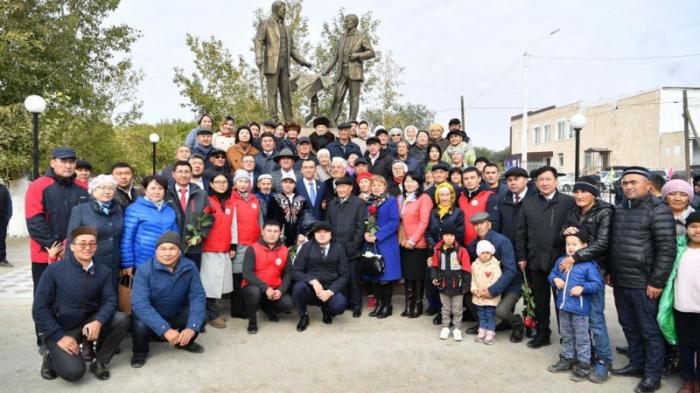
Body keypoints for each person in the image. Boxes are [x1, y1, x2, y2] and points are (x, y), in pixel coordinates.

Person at [609, 167, 676, 393]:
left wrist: (656, 281)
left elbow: (667, 249)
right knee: (629, 325)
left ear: (649, 185)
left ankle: (653, 374)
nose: (628, 186)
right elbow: (613, 244)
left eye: (634, 182)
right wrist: (610, 271)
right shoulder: (619, 210)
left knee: (649, 330)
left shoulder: (659, 210)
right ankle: (636, 364)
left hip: (644, 283)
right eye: (625, 182)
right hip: (621, 280)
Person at [32, 226, 129, 382]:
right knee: (74, 372)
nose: (87, 248)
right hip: (61, 327)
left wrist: (98, 321)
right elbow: (39, 309)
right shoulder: (54, 271)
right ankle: (49, 359)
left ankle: (100, 361)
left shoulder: (103, 271)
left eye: (91, 243)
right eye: (82, 244)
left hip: (88, 322)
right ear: (72, 247)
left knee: (122, 319)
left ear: (96, 247)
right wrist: (60, 337)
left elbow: (111, 300)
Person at [559, 175, 615, 382]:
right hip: (572, 272)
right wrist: (566, 232)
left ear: (594, 193)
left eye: (584, 191)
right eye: (576, 191)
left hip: (593, 270)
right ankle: (581, 357)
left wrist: (574, 256)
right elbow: (562, 235)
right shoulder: (573, 211)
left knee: (595, 319)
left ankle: (604, 361)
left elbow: (602, 243)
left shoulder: (605, 211)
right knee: (573, 318)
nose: (579, 195)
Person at [515, 166, 576, 349]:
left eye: (548, 179)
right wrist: (522, 256)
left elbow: (575, 229)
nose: (544, 183)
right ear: (536, 183)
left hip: (561, 261)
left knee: (563, 301)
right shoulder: (529, 203)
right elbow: (520, 233)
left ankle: (567, 337)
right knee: (540, 300)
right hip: (535, 260)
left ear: (556, 181)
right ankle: (543, 334)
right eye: (541, 180)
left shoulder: (568, 202)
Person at [130, 232, 206, 368]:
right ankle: (140, 352)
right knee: (139, 323)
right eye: (163, 249)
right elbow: (140, 304)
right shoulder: (144, 270)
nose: (167, 253)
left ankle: (185, 342)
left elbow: (198, 296)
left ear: (179, 251)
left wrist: (191, 327)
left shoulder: (189, 266)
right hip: (153, 317)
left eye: (172, 248)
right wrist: (165, 330)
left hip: (175, 312)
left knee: (201, 315)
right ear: (156, 251)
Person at [26, 147, 89, 293]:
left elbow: (87, 219)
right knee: (45, 295)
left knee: (74, 295)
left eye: (72, 162)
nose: (68, 166)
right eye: (63, 161)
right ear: (53, 163)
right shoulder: (38, 185)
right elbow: (34, 221)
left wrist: (73, 247)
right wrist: (58, 248)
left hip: (77, 252)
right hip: (46, 253)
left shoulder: (83, 187)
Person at [547, 229, 604, 381]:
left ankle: (584, 364)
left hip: (579, 310)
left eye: (574, 244)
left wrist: (583, 288)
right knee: (566, 334)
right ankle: (567, 358)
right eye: (568, 244)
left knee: (582, 337)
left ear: (584, 246)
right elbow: (551, 275)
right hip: (563, 307)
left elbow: (597, 284)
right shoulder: (561, 261)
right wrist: (555, 280)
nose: (570, 247)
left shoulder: (588, 265)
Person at [658, 211, 700, 393]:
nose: (697, 230)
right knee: (685, 345)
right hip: (682, 305)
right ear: (687, 229)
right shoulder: (679, 248)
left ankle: (698, 380)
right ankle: (688, 379)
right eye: (693, 226)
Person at [466, 212, 523, 342]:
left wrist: (493, 290)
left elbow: (510, 271)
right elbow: (465, 261)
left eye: (482, 223)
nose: (479, 227)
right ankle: (484, 324)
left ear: (489, 224)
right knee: (469, 297)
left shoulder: (502, 241)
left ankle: (517, 325)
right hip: (485, 283)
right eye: (475, 225)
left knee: (501, 311)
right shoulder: (474, 245)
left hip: (509, 285)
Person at [66, 175, 123, 291]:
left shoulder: (118, 209)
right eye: (101, 188)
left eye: (111, 188)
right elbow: (71, 240)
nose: (106, 191)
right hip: (90, 262)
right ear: (93, 190)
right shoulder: (80, 210)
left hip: (114, 265)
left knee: (111, 297)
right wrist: (72, 266)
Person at [292, 222, 350, 331]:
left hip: (330, 287)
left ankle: (327, 309)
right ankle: (303, 315)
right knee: (298, 288)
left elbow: (345, 274)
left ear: (331, 234)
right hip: (311, 288)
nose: (322, 234)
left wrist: (330, 292)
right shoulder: (307, 246)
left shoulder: (338, 248)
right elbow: (295, 271)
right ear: (314, 234)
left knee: (340, 305)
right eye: (318, 232)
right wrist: (312, 281)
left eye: (325, 232)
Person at [242, 220, 293, 334]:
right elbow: (247, 273)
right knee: (254, 292)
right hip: (255, 287)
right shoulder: (252, 248)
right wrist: (266, 288)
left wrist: (280, 290)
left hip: (275, 288)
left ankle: (267, 308)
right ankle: (252, 321)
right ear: (262, 232)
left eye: (275, 231)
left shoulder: (284, 250)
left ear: (280, 233)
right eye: (269, 231)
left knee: (288, 304)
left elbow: (288, 274)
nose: (272, 234)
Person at [120, 175, 179, 275]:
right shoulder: (134, 209)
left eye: (160, 188)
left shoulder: (169, 210)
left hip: (166, 260)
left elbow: (175, 237)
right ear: (145, 190)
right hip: (142, 261)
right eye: (153, 188)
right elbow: (127, 238)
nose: (156, 191)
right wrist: (127, 263)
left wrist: (176, 257)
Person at [326, 176, 367, 317]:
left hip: (351, 247)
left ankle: (356, 305)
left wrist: (353, 245)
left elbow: (361, 227)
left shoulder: (359, 203)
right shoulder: (332, 203)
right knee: (339, 277)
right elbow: (327, 224)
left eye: (344, 187)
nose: (341, 190)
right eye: (338, 187)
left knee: (353, 277)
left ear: (350, 188)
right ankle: (345, 303)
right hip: (335, 247)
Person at [199, 173, 235, 329]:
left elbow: (234, 225)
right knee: (209, 283)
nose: (221, 184)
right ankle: (211, 314)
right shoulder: (206, 201)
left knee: (219, 282)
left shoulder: (229, 202)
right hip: (209, 248)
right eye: (218, 182)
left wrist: (233, 245)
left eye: (224, 182)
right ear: (211, 184)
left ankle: (212, 312)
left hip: (225, 247)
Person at [363, 175, 401, 319]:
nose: (376, 187)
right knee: (375, 276)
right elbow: (365, 221)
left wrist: (378, 235)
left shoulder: (390, 201)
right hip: (371, 243)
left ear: (385, 186)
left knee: (386, 276)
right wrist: (366, 233)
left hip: (386, 242)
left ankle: (387, 305)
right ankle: (379, 304)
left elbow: (394, 222)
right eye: (374, 185)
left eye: (379, 185)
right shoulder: (368, 202)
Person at [397, 172, 433, 318]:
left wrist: (413, 240)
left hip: (417, 243)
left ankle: (417, 305)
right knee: (407, 275)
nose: (409, 184)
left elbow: (424, 222)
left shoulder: (424, 198)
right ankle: (408, 305)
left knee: (417, 276)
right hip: (403, 242)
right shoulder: (401, 198)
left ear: (419, 183)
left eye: (413, 181)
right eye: (407, 181)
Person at [229, 170, 263, 318]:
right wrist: (233, 244)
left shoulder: (254, 199)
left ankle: (249, 306)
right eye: (240, 181)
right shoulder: (231, 200)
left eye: (245, 181)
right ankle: (237, 309)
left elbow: (260, 220)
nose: (243, 184)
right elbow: (230, 224)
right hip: (239, 244)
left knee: (249, 277)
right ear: (235, 184)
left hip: (254, 244)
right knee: (237, 277)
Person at [166, 161, 210, 270]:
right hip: (170, 246)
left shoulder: (201, 194)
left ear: (191, 174)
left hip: (193, 246)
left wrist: (201, 235)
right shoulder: (166, 194)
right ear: (173, 174)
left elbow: (209, 216)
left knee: (192, 277)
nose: (184, 175)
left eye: (187, 172)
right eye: (180, 172)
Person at [429, 223, 470, 341]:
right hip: (443, 286)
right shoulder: (437, 251)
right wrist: (434, 277)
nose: (449, 238)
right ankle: (445, 327)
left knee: (457, 309)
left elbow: (466, 269)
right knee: (445, 309)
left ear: (455, 237)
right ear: (442, 236)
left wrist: (466, 285)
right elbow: (435, 266)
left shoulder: (461, 251)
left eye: (451, 235)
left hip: (458, 287)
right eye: (446, 235)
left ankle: (457, 328)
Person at [458, 167, 500, 246]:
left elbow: (494, 223)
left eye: (472, 178)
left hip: (483, 245)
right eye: (466, 178)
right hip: (464, 245)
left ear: (479, 179)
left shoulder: (490, 196)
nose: (469, 181)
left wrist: (488, 244)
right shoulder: (461, 197)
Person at [471, 240, 502, 345]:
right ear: (479, 254)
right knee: (481, 314)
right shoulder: (475, 265)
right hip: (478, 296)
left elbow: (496, 280)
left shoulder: (494, 265)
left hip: (489, 297)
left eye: (487, 253)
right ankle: (482, 330)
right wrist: (474, 289)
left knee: (489, 313)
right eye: (482, 253)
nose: (485, 256)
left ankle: (490, 332)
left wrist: (488, 291)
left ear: (491, 253)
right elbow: (473, 279)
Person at [268, 173, 308, 247]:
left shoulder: (302, 200)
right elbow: (269, 219)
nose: (288, 185)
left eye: (291, 182)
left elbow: (307, 218)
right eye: (285, 182)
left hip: (298, 237)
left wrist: (302, 233)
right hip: (279, 236)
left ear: (295, 185)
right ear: (281, 184)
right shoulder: (274, 199)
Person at [0, 182, 12, 267]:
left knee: (1, 239)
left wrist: (7, 217)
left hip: (2, 220)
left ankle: (2, 259)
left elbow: (9, 203)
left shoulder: (3, 189)